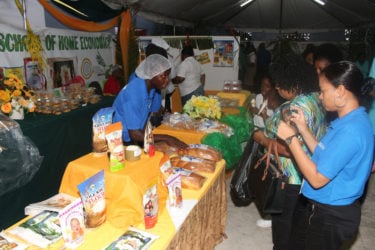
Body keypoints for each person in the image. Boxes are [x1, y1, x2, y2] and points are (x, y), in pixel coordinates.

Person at [276, 61, 374, 249]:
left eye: (323, 91)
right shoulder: (348, 121)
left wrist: (291, 140)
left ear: (340, 91)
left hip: (330, 215)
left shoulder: (351, 131)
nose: (320, 97)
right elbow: (324, 153)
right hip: (321, 206)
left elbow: (317, 179)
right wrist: (303, 129)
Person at [252, 53, 327, 250]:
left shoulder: (297, 106)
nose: (276, 87)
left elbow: (288, 149)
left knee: (283, 228)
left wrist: (262, 139)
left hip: (291, 178)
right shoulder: (315, 98)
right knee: (299, 228)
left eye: (279, 83)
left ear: (292, 82)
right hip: (307, 174)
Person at [112, 54, 187, 149]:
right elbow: (135, 134)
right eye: (164, 76)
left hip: (138, 134)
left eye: (168, 75)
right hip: (119, 140)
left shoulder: (152, 88)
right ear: (152, 75)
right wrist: (168, 138)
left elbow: (152, 110)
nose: (167, 80)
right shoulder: (133, 94)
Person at [250, 73, 283, 228]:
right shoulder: (259, 98)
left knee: (270, 175)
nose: (265, 89)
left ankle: (270, 214)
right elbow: (252, 109)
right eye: (263, 85)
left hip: (268, 141)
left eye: (268, 87)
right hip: (260, 137)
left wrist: (263, 114)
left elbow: (273, 127)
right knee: (259, 169)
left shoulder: (277, 106)